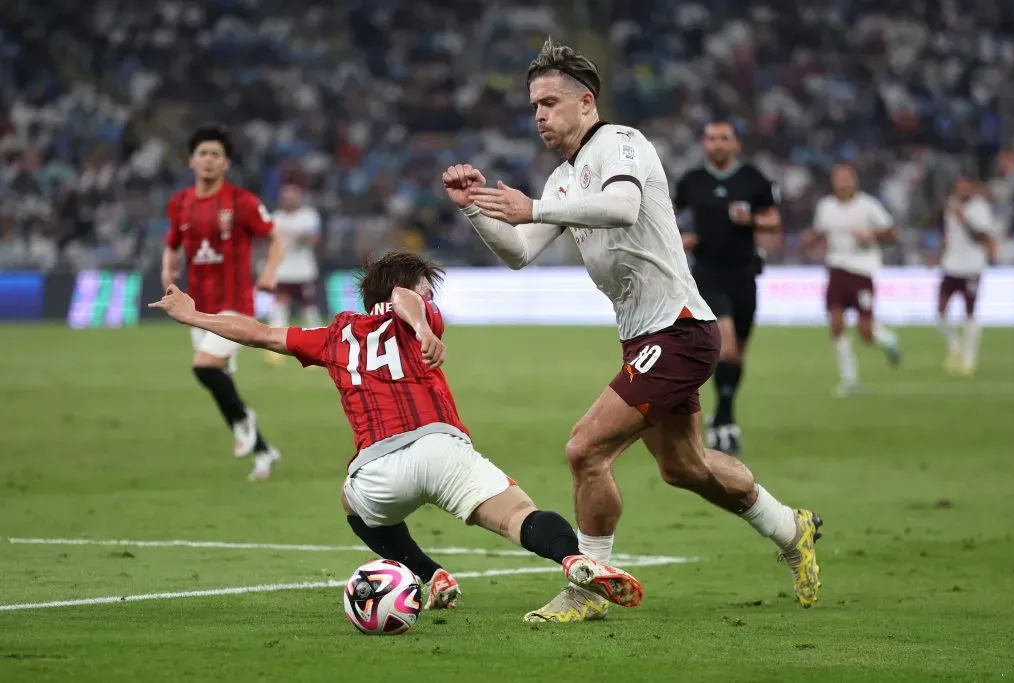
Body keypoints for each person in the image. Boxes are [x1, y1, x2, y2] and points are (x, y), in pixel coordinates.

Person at [444, 38, 822, 623]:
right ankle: (789, 526)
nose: (539, 115)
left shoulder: (621, 143)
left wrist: (535, 210)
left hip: (678, 331)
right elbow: (519, 253)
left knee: (584, 450)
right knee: (684, 468)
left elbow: (621, 207)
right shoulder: (563, 179)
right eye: (533, 107)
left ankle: (586, 590)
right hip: (650, 336)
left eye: (548, 102)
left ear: (586, 102)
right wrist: (475, 209)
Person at [149, 250, 644, 619]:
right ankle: (573, 558)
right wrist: (423, 326)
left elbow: (260, 333)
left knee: (351, 504)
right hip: (440, 447)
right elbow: (405, 298)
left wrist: (192, 315)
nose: (431, 300)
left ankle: (431, 575)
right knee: (519, 515)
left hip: (376, 469)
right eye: (429, 290)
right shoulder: (415, 311)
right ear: (411, 293)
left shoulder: (333, 333)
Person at [161, 123, 286, 481]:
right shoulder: (179, 204)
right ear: (191, 160)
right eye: (203, 153)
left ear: (226, 163)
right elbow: (172, 244)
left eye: (216, 154)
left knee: (204, 367)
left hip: (235, 306)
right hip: (196, 309)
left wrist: (270, 272)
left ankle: (246, 421)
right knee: (221, 385)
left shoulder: (242, 202)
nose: (209, 160)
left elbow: (275, 238)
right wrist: (167, 273)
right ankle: (264, 451)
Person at [674, 121, 782, 455]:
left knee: (739, 353)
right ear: (703, 144)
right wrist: (680, 240)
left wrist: (751, 219)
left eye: (723, 139)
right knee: (728, 346)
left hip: (744, 274)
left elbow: (774, 220)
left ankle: (723, 416)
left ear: (735, 143)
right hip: (707, 274)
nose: (717, 144)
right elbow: (666, 216)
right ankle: (724, 421)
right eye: (710, 139)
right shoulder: (692, 181)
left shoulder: (752, 178)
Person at [803, 164, 902, 397]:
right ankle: (849, 380)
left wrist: (871, 235)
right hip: (836, 270)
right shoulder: (826, 207)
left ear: (855, 181)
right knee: (836, 324)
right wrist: (811, 239)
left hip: (862, 272)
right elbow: (820, 232)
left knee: (865, 332)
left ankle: (887, 338)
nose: (844, 182)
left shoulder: (868, 206)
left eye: (848, 178)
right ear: (834, 182)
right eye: (840, 178)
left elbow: (893, 233)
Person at [937, 176, 997, 375]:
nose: (961, 190)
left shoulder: (980, 208)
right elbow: (949, 234)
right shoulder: (951, 205)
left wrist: (963, 218)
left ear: (971, 188)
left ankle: (969, 357)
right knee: (940, 310)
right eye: (958, 187)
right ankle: (954, 346)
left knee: (969, 313)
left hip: (971, 267)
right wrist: (941, 253)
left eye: (965, 186)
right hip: (950, 265)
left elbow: (982, 237)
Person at [264, 183, 323, 366]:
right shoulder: (277, 218)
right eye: (286, 197)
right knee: (280, 308)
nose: (289, 200)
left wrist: (303, 237)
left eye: (292, 197)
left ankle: (319, 348)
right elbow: (270, 241)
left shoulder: (308, 216)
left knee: (310, 309)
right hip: (283, 271)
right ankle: (275, 351)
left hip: (304, 271)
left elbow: (315, 238)